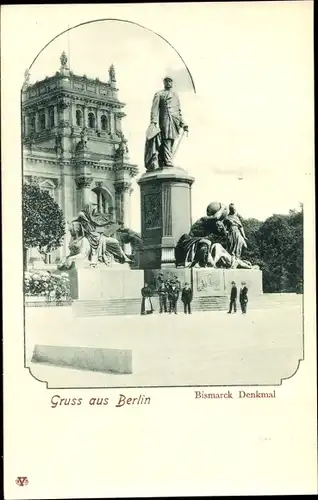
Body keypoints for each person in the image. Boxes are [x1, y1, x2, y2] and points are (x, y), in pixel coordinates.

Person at [144, 76, 188, 170]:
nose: (168, 83)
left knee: (171, 141)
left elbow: (178, 111)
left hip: (174, 121)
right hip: (164, 120)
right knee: (166, 140)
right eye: (166, 81)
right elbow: (154, 109)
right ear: (164, 83)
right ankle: (168, 161)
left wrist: (183, 124)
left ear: (172, 83)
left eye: (170, 81)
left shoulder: (175, 96)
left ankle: (163, 160)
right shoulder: (159, 94)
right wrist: (153, 122)